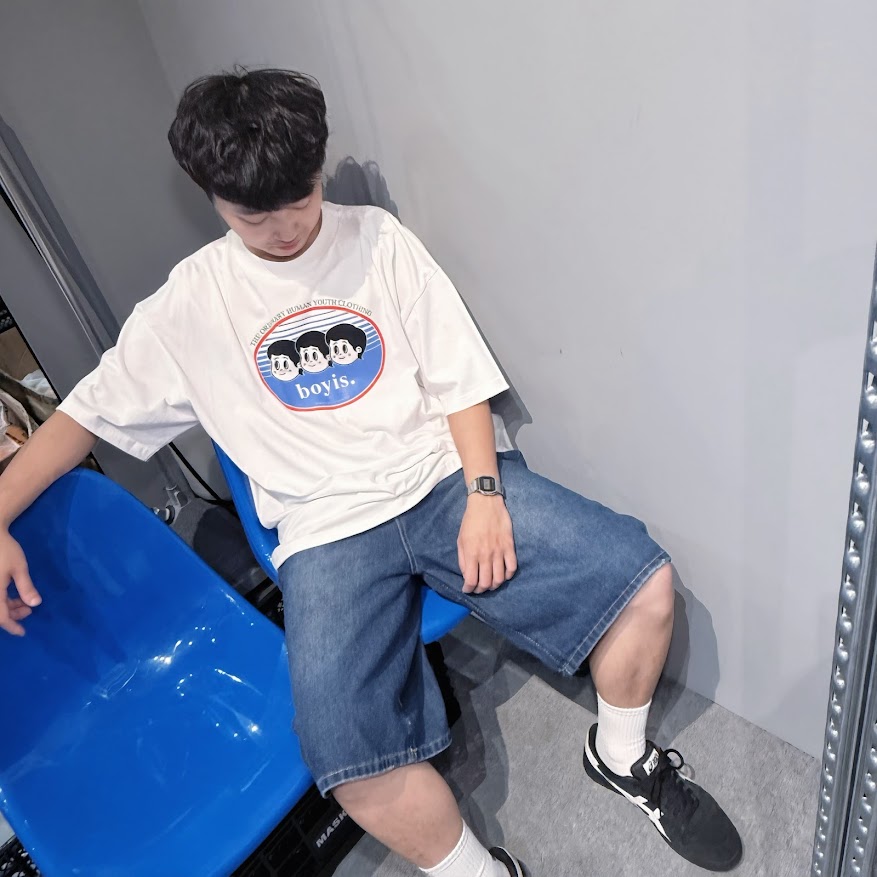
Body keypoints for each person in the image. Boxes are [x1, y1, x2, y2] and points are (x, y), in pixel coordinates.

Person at [0, 68, 742, 875]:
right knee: (345, 757)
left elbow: (458, 377)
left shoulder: (378, 242)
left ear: (318, 168)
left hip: (440, 482)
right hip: (325, 532)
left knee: (644, 584)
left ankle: (621, 754)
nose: (285, 229)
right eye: (254, 215)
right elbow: (82, 417)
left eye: (300, 199)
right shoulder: (190, 303)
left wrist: (484, 492)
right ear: (212, 199)